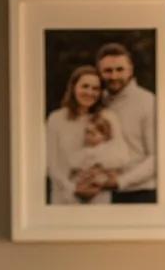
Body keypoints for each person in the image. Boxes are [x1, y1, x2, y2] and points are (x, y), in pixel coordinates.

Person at [75, 43, 157, 204]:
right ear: (99, 72)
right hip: (99, 195)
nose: (114, 76)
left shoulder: (148, 102)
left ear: (131, 69)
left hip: (138, 194)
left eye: (120, 69)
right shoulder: (97, 100)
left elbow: (158, 157)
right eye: (107, 71)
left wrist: (120, 181)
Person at [46, 66, 126, 205]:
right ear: (73, 87)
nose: (90, 92)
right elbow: (51, 164)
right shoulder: (56, 119)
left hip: (98, 195)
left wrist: (96, 165)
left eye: (95, 88)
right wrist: (73, 189)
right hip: (64, 196)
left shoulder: (107, 117)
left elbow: (122, 155)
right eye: (85, 86)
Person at [68, 113, 131, 205]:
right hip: (84, 181)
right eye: (87, 132)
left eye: (93, 134)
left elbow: (118, 162)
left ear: (104, 136)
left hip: (101, 188)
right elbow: (74, 163)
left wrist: (99, 165)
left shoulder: (106, 149)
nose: (88, 136)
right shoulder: (85, 150)